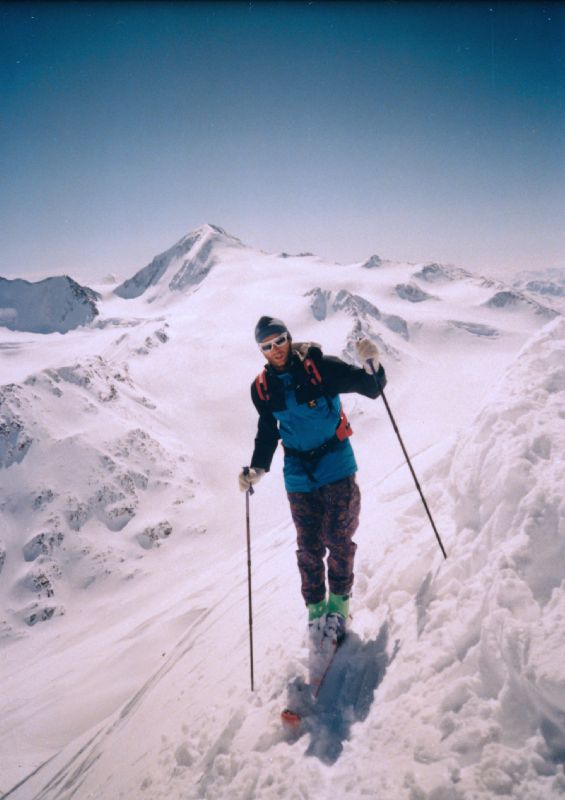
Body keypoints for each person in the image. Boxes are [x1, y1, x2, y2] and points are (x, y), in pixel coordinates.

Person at [239, 316, 387, 643]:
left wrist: (372, 365)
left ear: (289, 338)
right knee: (308, 546)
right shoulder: (262, 389)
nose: (275, 349)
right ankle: (316, 611)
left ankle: (339, 605)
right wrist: (257, 469)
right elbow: (267, 433)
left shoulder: (321, 368)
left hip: (335, 463)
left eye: (279, 340)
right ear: (261, 351)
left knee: (338, 537)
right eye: (267, 346)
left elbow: (371, 388)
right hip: (297, 472)